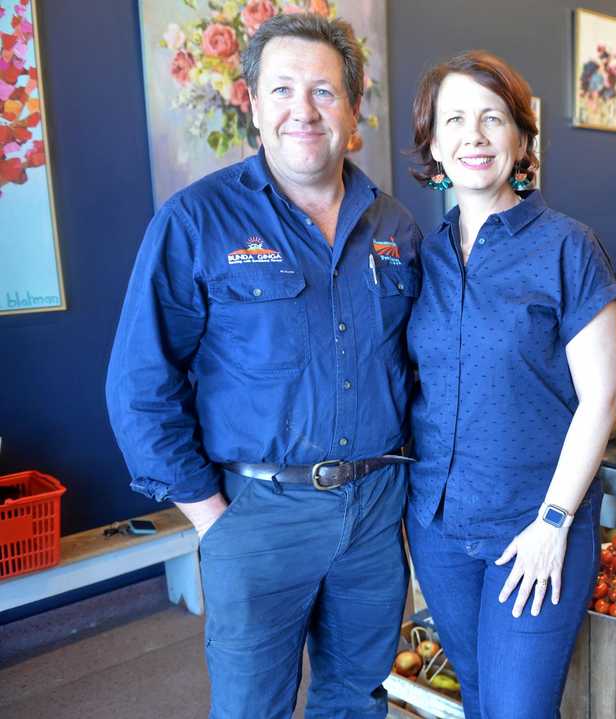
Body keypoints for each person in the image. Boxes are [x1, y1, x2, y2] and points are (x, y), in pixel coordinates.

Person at [105, 13, 420, 719]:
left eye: (323, 91)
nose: (302, 111)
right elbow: (139, 385)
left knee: (358, 697)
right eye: (281, 90)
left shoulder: (396, 226)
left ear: (353, 104)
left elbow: (417, 366)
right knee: (253, 707)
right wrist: (213, 520)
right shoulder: (195, 221)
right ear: (252, 104)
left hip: (373, 513)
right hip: (256, 513)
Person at [405, 51, 616, 718]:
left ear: (522, 140)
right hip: (440, 528)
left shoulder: (566, 246)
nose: (474, 136)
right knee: (477, 696)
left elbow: (604, 396)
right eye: (456, 121)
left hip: (534, 526)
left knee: (518, 710)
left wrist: (554, 520)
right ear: (434, 144)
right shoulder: (424, 255)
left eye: (492, 119)